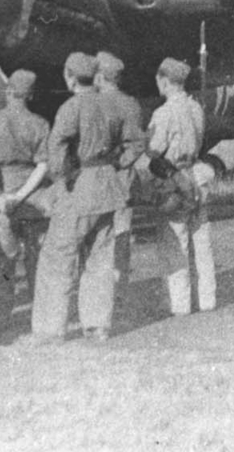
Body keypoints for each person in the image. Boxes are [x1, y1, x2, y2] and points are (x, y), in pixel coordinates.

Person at [30, 52, 144, 343]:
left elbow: (56, 144)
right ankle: (97, 325)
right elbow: (136, 143)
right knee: (100, 258)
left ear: (69, 76)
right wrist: (118, 163)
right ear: (94, 75)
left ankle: (50, 329)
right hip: (108, 186)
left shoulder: (70, 107)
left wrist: (61, 176)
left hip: (80, 187)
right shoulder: (113, 105)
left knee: (58, 256)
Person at [0, 69, 51, 332]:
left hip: (1, 199)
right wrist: (22, 195)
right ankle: (42, 317)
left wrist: (0, 196)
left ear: (8, 91)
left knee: (0, 261)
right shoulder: (41, 124)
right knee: (37, 261)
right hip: (34, 198)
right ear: (30, 94)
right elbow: (43, 165)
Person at [148, 57, 216, 316]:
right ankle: (208, 301)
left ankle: (181, 305)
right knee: (202, 242)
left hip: (174, 181)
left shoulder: (164, 113)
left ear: (165, 81)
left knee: (175, 244)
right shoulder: (196, 108)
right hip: (197, 177)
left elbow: (153, 150)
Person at [93, 52, 144, 293]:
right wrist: (121, 164)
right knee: (121, 238)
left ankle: (98, 294)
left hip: (96, 180)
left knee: (96, 239)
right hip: (123, 181)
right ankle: (119, 293)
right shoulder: (131, 103)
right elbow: (138, 145)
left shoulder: (90, 104)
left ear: (100, 77)